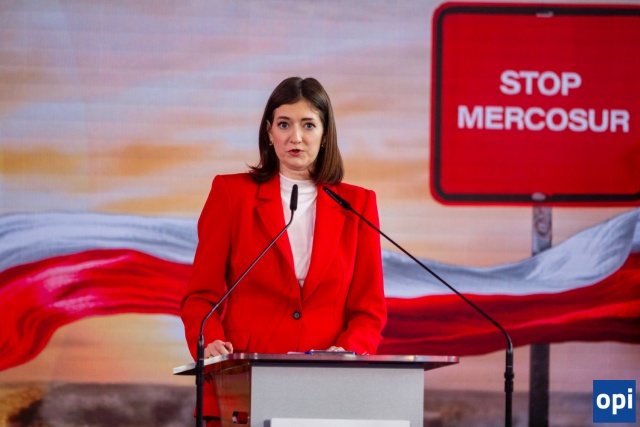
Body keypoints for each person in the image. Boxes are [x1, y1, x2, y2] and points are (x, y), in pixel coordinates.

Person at [180, 76, 387, 423]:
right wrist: (210, 340)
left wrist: (349, 351)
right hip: (243, 384)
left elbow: (369, 309)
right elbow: (201, 297)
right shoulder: (231, 195)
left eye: (308, 124)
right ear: (269, 131)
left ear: (325, 133)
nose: (296, 137)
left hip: (329, 386)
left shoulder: (358, 204)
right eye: (284, 124)